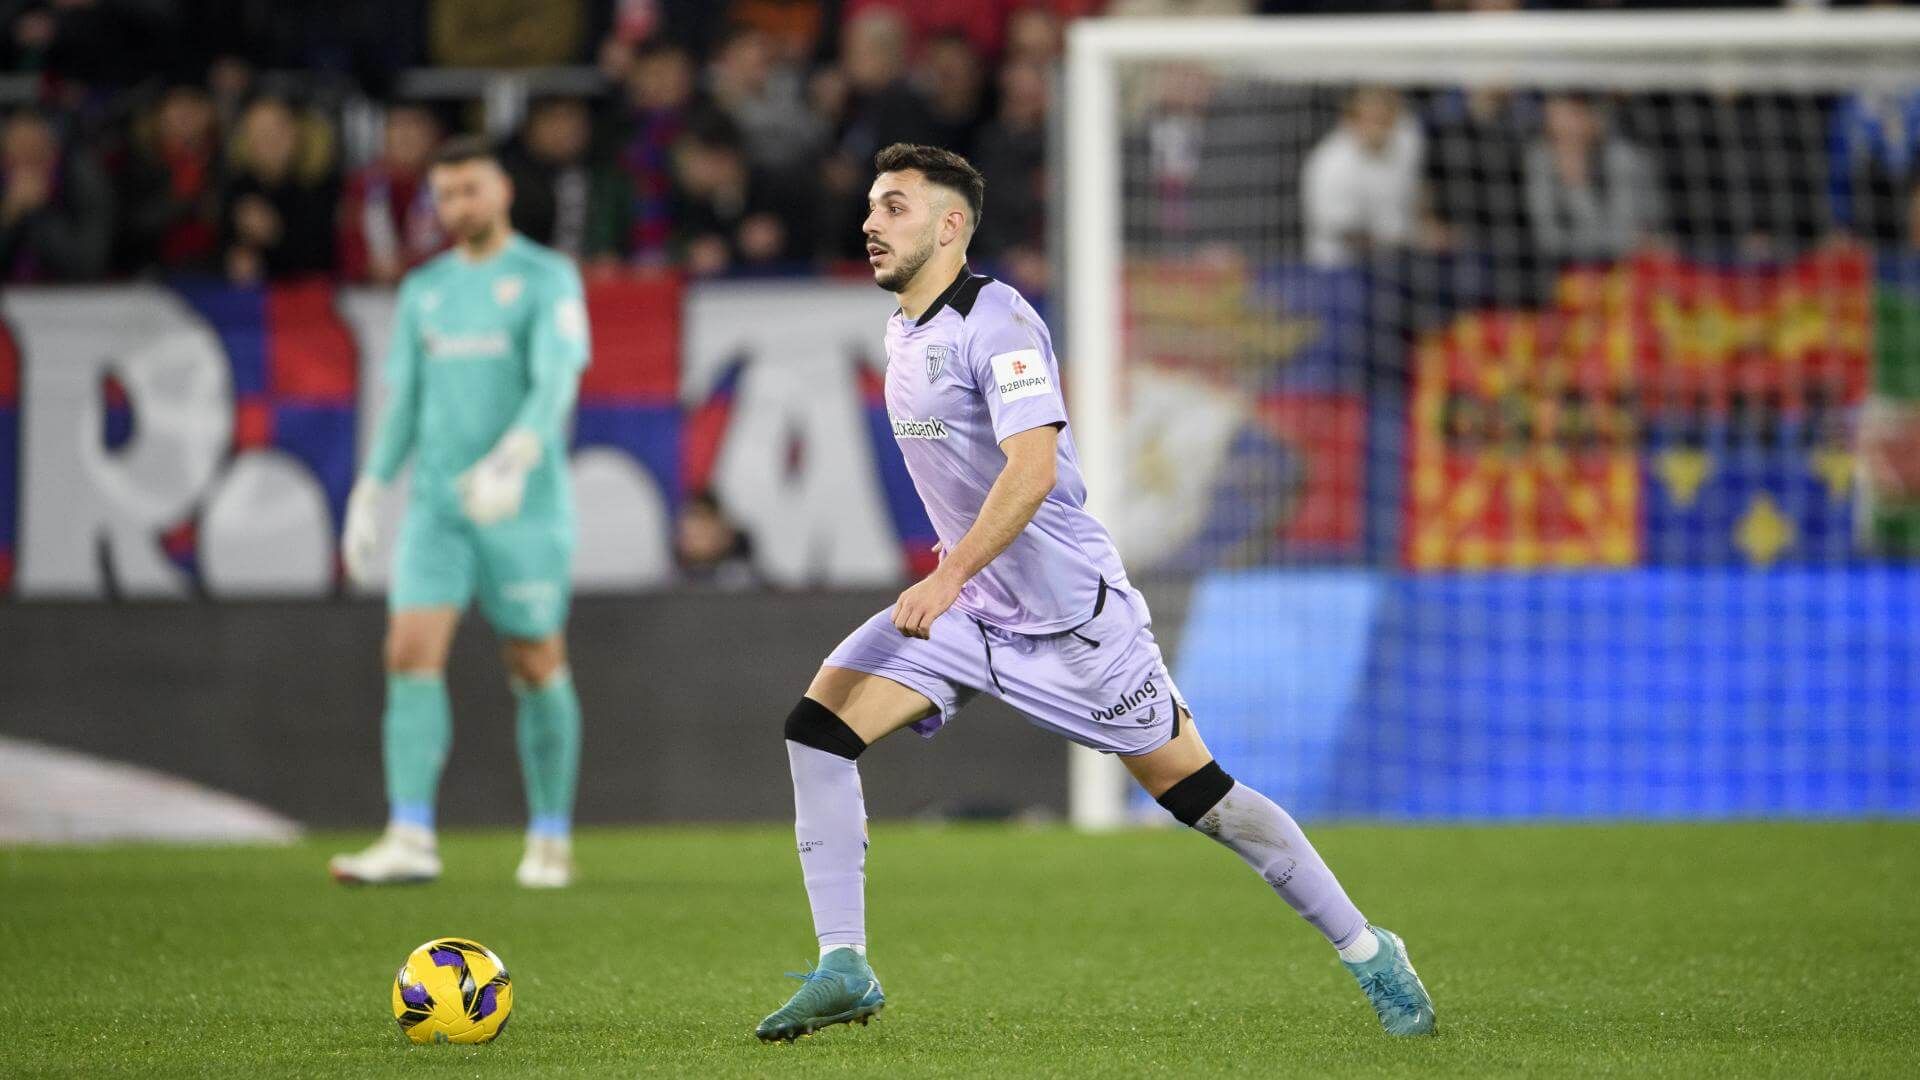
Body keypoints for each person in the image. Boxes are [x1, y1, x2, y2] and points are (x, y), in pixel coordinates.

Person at [751, 143, 1436, 1042]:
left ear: (952, 226)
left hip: (1073, 623)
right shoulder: (904, 327)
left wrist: (949, 572)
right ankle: (845, 964)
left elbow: (1032, 470)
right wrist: (959, 584)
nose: (872, 223)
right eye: (873, 206)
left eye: (896, 207)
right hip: (972, 614)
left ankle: (1368, 949)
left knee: (1203, 798)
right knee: (819, 726)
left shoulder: (998, 322)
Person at [329, 137, 591, 890]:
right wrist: (371, 489)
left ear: (503, 190)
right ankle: (409, 834)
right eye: (445, 195)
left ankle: (550, 836)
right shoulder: (426, 290)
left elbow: (555, 380)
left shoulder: (546, 277)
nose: (458, 207)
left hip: (522, 507)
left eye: (470, 189)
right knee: (408, 651)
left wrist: (516, 456)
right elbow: (404, 401)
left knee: (535, 661)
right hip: (439, 508)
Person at [1301, 86, 1424, 267]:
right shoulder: (1331, 164)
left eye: (1386, 119)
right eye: (1373, 119)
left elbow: (1417, 193)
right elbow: (1345, 234)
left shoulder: (1406, 144)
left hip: (1398, 260)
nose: (1380, 128)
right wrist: (1404, 242)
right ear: (1351, 120)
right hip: (1340, 269)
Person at [336, 102, 447, 284]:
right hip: (371, 293)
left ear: (432, 135)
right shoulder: (362, 184)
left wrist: (408, 266)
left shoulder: (449, 182)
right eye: (397, 127)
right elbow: (347, 244)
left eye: (415, 127)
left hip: (435, 288)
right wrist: (367, 266)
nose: (406, 136)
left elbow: (458, 244)